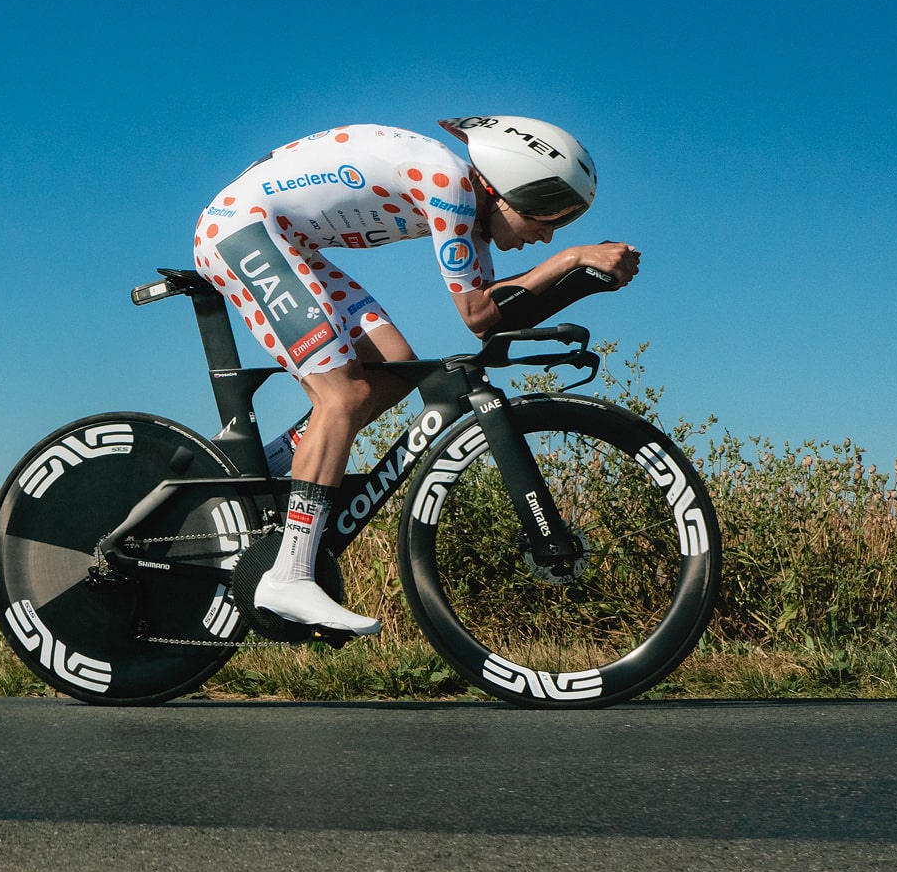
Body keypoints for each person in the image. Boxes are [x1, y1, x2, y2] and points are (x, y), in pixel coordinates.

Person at [193, 115, 641, 636]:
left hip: (282, 238)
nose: (544, 236)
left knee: (395, 369)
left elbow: (498, 318)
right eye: (545, 219)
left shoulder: (466, 202)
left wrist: (584, 279)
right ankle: (289, 576)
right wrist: (572, 258)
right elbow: (476, 313)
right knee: (340, 397)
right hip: (239, 230)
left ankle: (263, 471)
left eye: (559, 228)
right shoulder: (449, 185)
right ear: (504, 189)